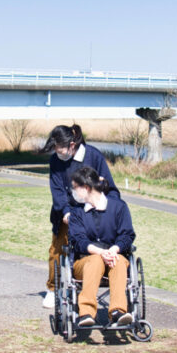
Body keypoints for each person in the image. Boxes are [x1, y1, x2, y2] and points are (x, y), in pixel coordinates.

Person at [42, 124, 119, 308]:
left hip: (93, 210)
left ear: (71, 144)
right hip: (66, 211)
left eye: (61, 150)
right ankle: (53, 289)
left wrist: (107, 208)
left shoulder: (93, 156)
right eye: (56, 150)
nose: (58, 154)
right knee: (57, 250)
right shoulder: (55, 161)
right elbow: (57, 190)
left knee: (89, 248)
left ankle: (86, 284)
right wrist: (66, 212)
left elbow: (110, 187)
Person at [67, 166, 135, 327]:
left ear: (87, 188)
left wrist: (113, 250)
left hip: (114, 257)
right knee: (96, 260)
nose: (73, 192)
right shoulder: (77, 213)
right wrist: (101, 252)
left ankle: (118, 311)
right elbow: (78, 240)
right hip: (85, 261)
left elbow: (127, 235)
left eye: (75, 188)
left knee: (118, 260)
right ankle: (86, 313)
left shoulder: (118, 207)